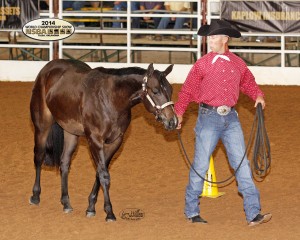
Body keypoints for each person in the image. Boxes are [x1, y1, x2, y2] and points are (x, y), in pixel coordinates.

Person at [174, 20, 272, 227]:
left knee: (242, 165)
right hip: (208, 118)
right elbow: (187, 91)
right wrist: (179, 113)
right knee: (200, 165)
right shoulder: (201, 65)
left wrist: (258, 95)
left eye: (214, 36)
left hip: (231, 119)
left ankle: (253, 213)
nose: (209, 39)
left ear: (225, 39)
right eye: (208, 36)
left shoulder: (238, 63)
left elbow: (248, 82)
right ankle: (191, 210)